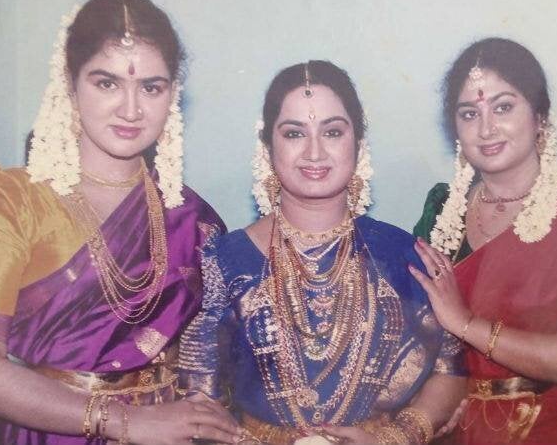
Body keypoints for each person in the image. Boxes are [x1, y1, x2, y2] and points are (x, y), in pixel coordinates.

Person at [178, 60, 467, 445]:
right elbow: (199, 394)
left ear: (358, 143)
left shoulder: (403, 256)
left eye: (332, 131)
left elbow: (450, 369)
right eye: (295, 133)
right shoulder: (224, 261)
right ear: (268, 147)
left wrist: (393, 438)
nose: (315, 152)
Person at [0, 0, 241, 443]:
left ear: (173, 94)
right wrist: (127, 422)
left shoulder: (192, 217)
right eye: (106, 83)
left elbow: (205, 357)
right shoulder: (14, 201)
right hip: (50, 431)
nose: (131, 109)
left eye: (151, 87)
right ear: (70, 85)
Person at [411, 37, 557, 444]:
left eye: (503, 106)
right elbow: (419, 338)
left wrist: (467, 325)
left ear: (540, 115)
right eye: (469, 113)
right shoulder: (442, 212)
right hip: (457, 430)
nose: (486, 127)